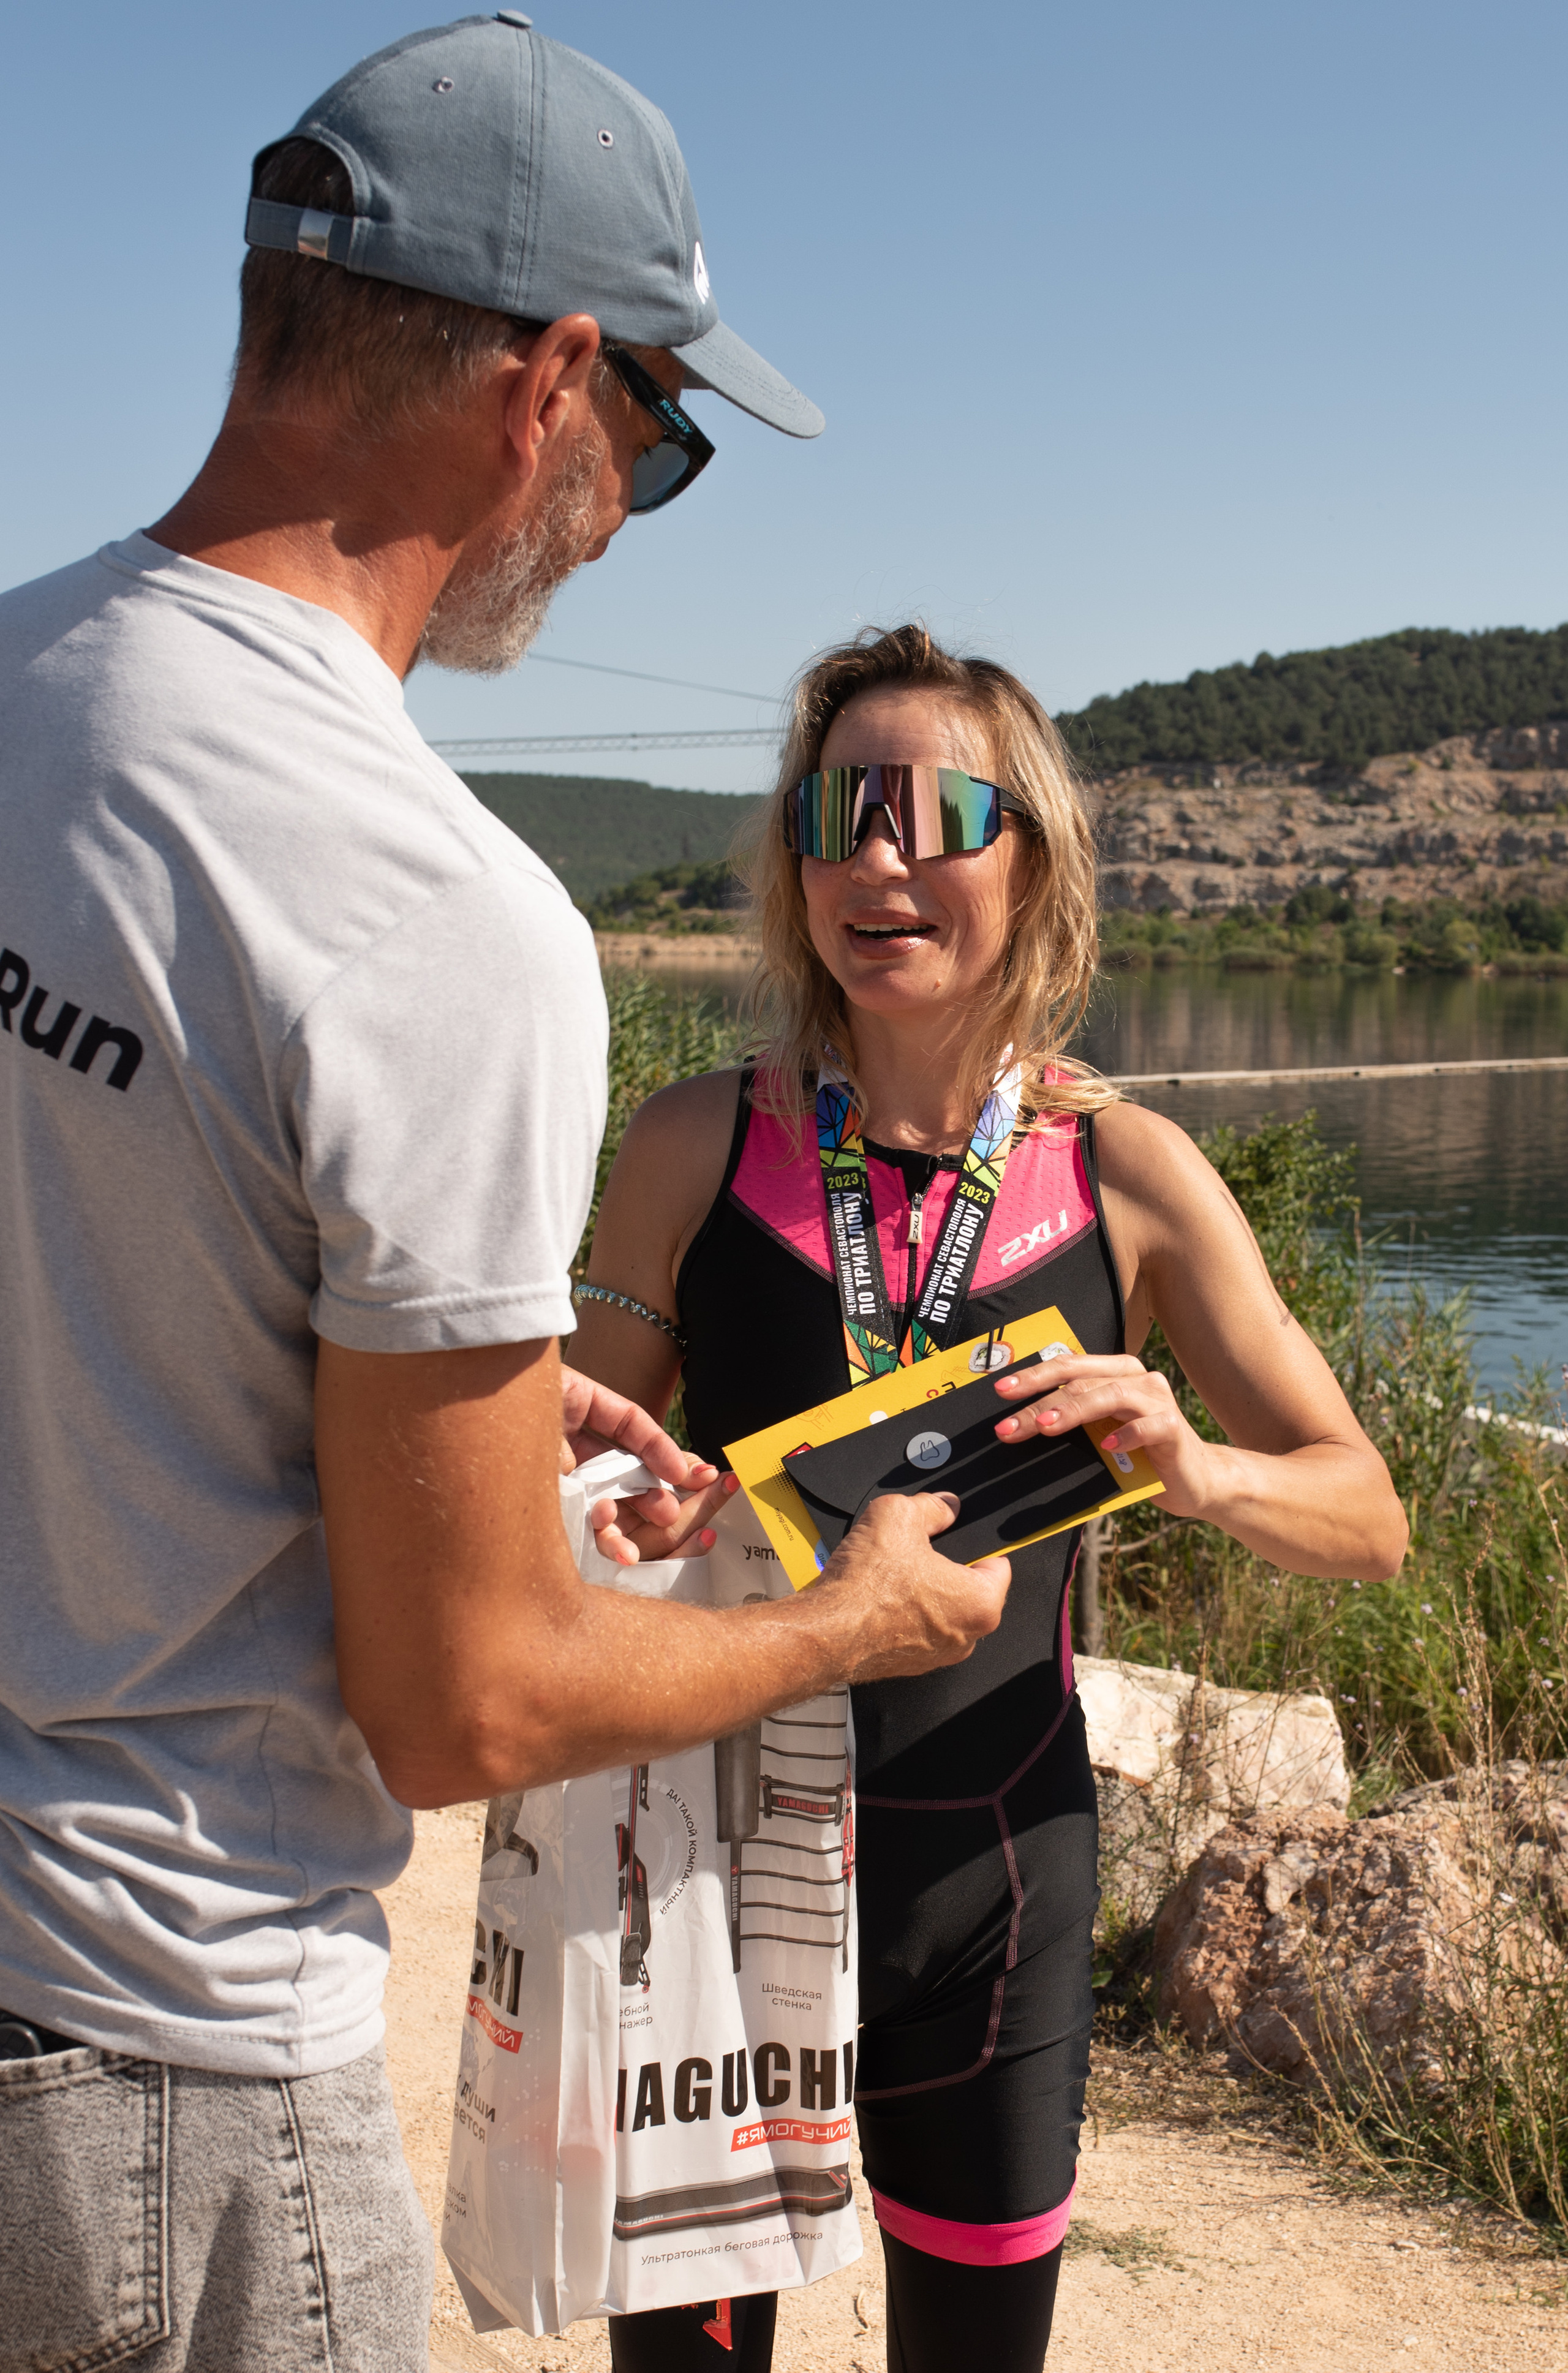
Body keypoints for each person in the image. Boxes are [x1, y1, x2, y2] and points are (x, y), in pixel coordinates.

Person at [0, 27, 1008, 2370]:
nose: (631, 503)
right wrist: (850, 1620)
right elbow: (473, 1697)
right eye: (660, 438)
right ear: (549, 383)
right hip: (162, 2055)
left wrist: (409, 1391)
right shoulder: (440, 916)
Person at [573, 622, 1409, 2373]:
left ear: (1030, 857)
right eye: (837, 814)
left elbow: (1367, 1513)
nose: (878, 860)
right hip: (714, 1884)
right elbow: (565, 1476)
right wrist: (621, 1508)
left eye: (936, 813)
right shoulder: (692, 1146)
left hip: (996, 1887)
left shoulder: (1128, 1174)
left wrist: (1195, 1466)